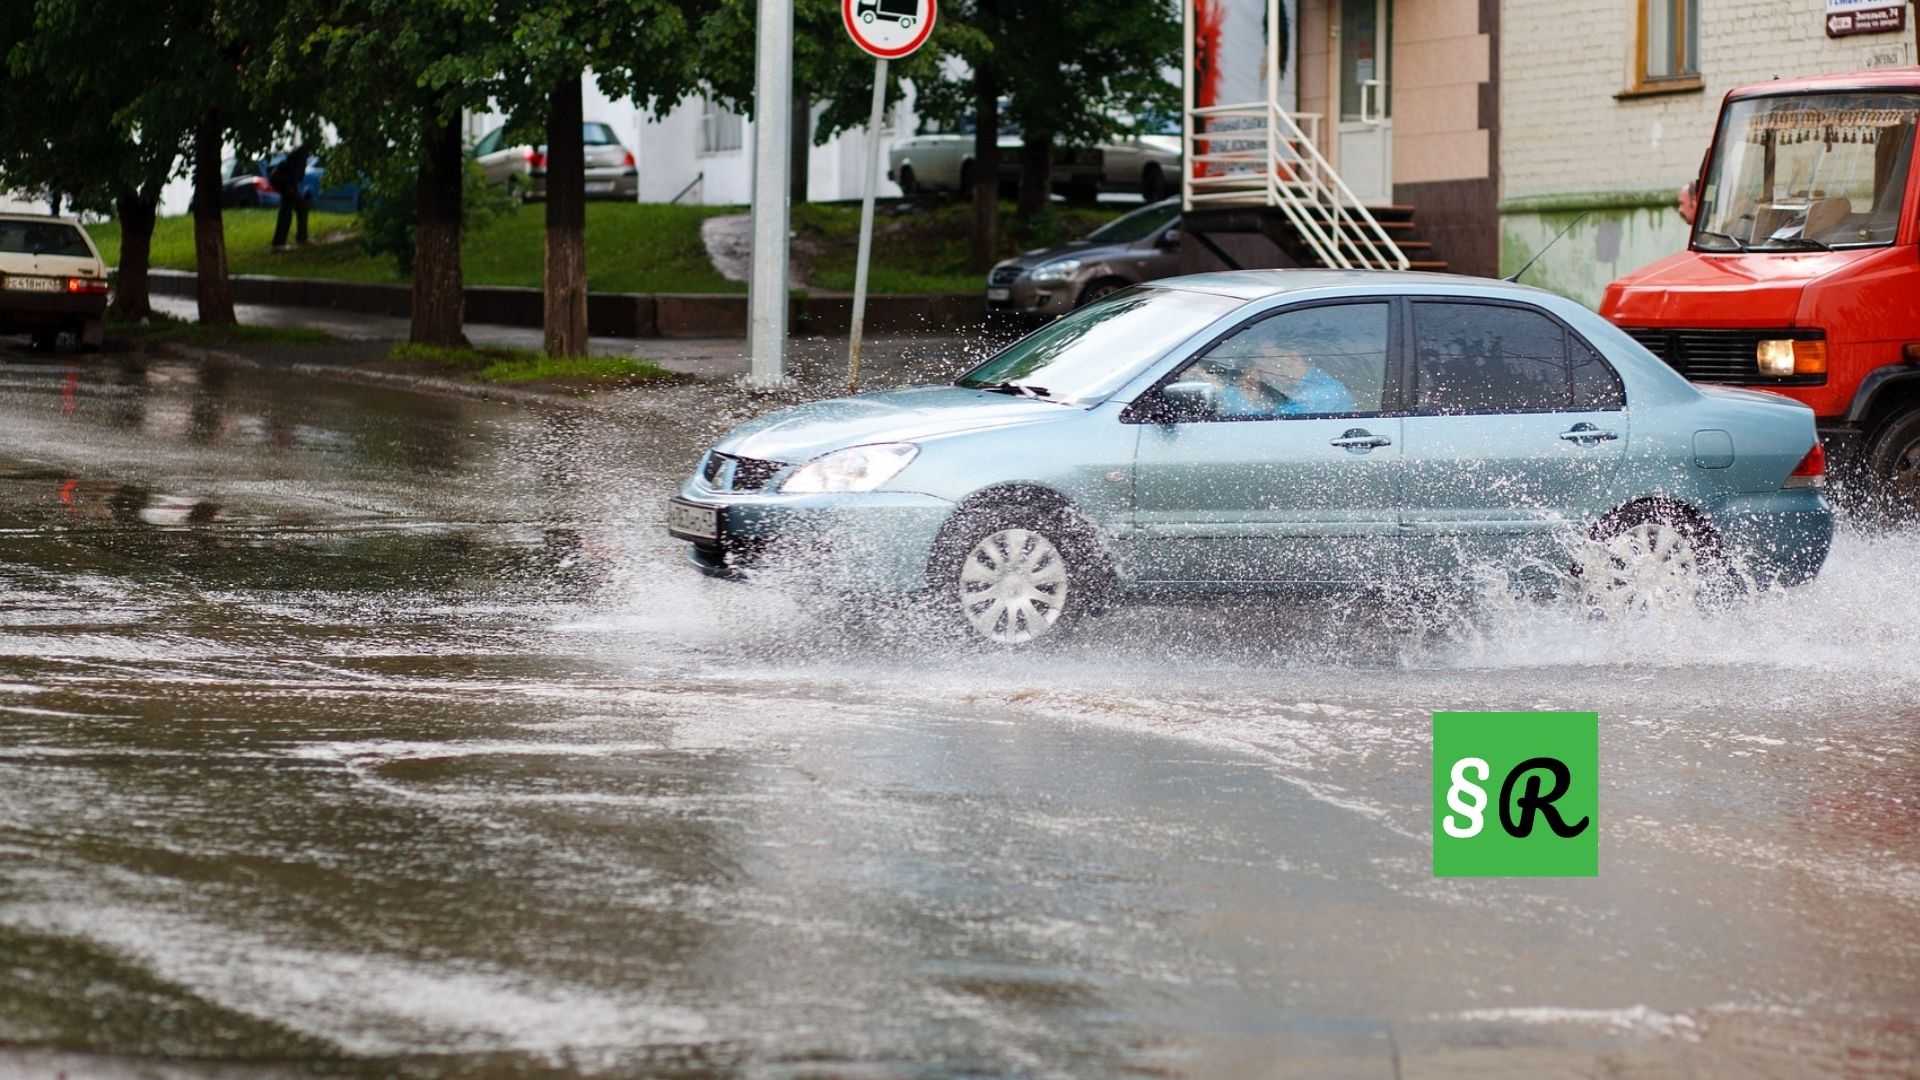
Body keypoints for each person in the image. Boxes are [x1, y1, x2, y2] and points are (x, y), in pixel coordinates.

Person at [1212, 348, 1354, 417]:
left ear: (1292, 357)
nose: (1260, 366)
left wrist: (1230, 393)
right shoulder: (1298, 386)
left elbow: (1268, 424)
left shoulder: (1323, 393)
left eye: (1265, 358)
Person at [269, 143, 312, 251]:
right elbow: (294, 172)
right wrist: (291, 186)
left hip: (284, 180)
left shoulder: (299, 153)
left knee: (301, 208)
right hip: (285, 182)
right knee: (286, 212)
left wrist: (293, 186)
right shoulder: (301, 155)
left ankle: (301, 238)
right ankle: (279, 243)